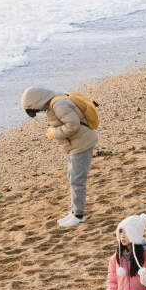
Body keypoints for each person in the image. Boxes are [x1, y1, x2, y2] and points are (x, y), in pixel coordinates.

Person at [21, 86, 98, 228]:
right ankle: (74, 212)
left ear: (37, 101)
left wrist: (53, 133)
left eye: (35, 110)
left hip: (82, 143)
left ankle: (78, 216)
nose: (38, 112)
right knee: (72, 177)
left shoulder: (59, 105)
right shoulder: (56, 102)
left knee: (77, 180)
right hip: (77, 143)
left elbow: (73, 125)